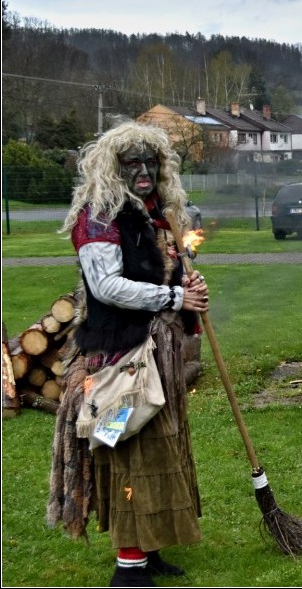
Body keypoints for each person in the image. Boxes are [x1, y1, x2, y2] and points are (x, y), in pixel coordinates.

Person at [47, 121, 209, 586]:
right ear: (112, 169)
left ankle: (151, 547)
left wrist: (185, 285)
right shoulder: (98, 218)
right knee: (126, 450)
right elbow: (107, 287)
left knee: (160, 451)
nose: (144, 171)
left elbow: (162, 275)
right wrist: (175, 299)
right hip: (117, 361)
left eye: (150, 162)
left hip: (156, 355)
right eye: (132, 163)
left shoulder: (156, 214)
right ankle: (129, 566)